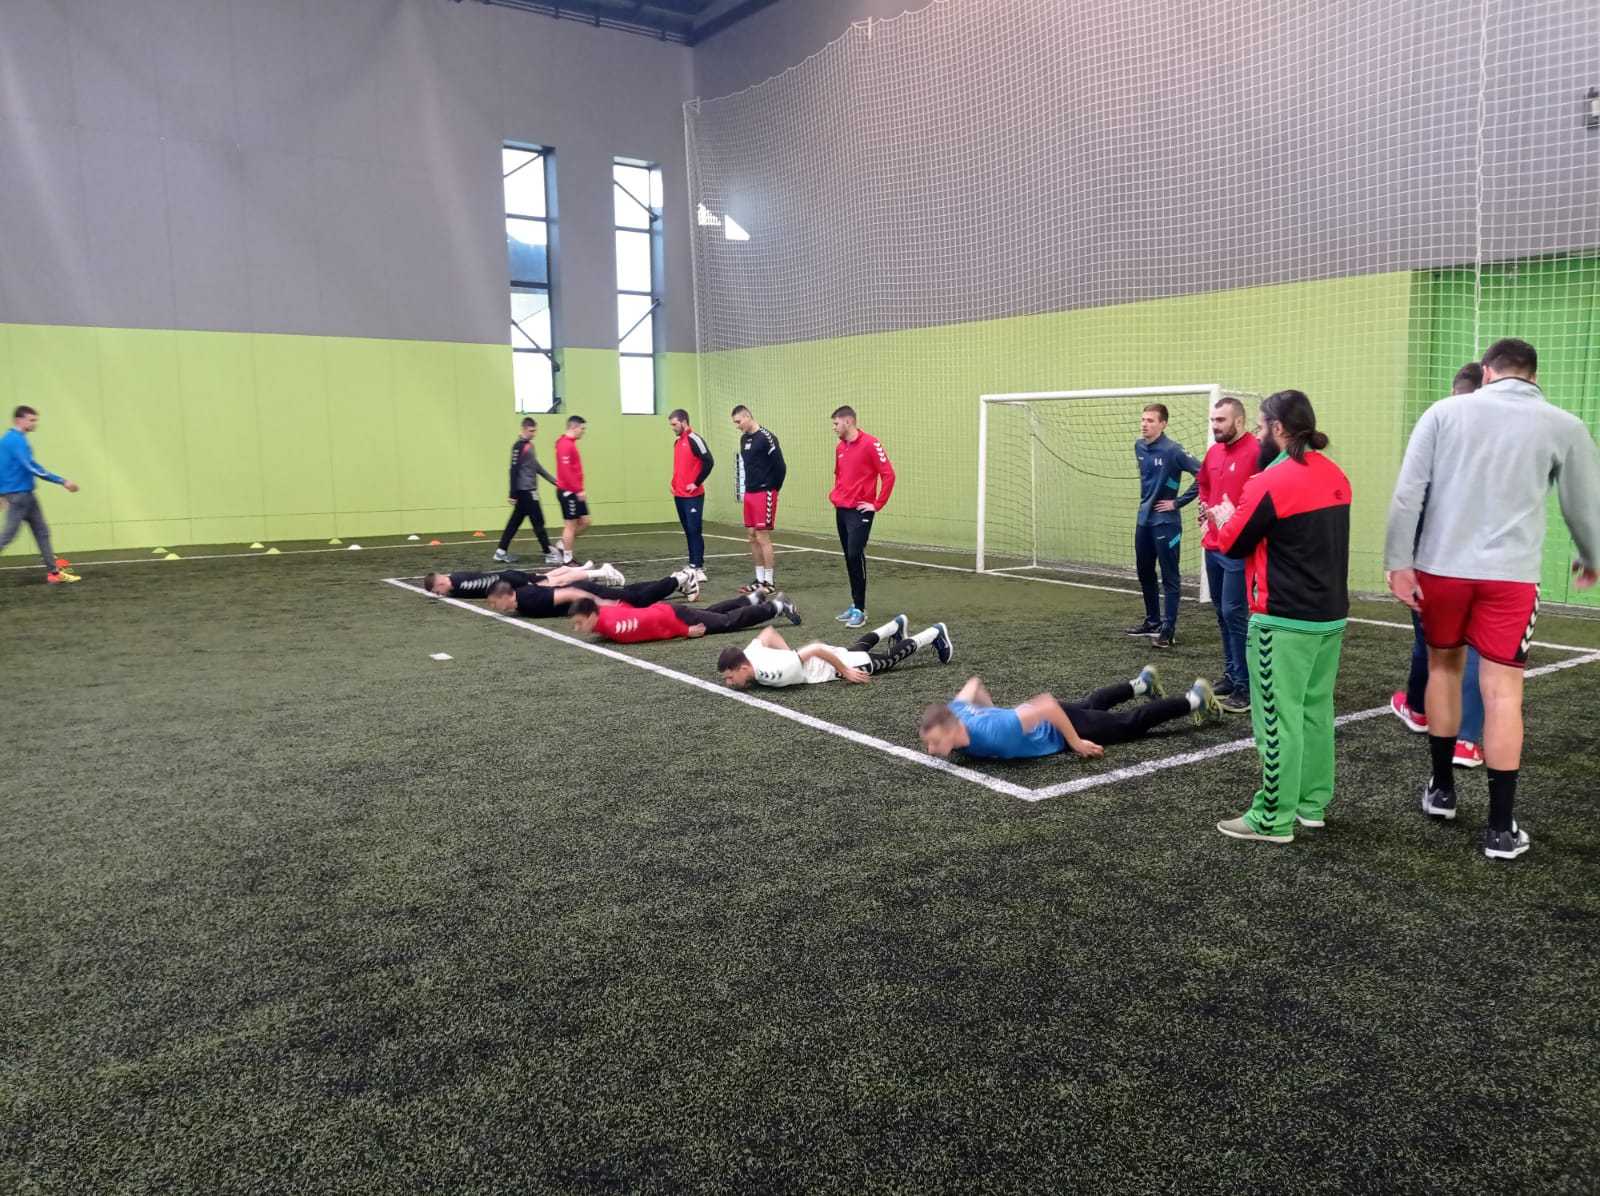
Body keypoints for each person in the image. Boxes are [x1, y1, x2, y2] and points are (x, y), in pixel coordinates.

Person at [1384, 337, 1600, 861]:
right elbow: (1584, 504)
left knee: (1443, 671)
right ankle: (1501, 830)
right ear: (1534, 374)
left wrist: (1398, 562)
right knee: (1504, 694)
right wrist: (1592, 556)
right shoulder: (1565, 424)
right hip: (1511, 580)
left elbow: (1408, 493)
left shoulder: (1442, 412)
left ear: (1486, 372)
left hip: (1440, 571)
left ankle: (1442, 792)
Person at [1210, 390, 1351, 845]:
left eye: (1260, 426)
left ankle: (1272, 817)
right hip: (1330, 618)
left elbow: (1233, 544)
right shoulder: (1336, 475)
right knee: (1315, 712)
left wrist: (1222, 518)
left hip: (1283, 620)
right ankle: (1312, 804)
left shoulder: (1268, 482)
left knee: (1277, 720)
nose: (1256, 436)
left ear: (1277, 428)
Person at [1388, 362, 1488, 769]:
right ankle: (1466, 741)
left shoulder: (1437, 432)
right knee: (1477, 650)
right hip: (1491, 566)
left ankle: (1420, 711)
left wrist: (1400, 562)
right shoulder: (1502, 442)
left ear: (1453, 392)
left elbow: (1409, 499)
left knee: (1433, 645)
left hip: (1435, 564)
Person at [917, 668, 1219, 761]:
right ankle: (1143, 683)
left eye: (935, 742)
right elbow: (973, 684)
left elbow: (1048, 705)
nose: (930, 750)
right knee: (1092, 703)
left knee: (1129, 724)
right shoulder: (954, 711)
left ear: (953, 728)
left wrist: (1075, 742)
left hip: (1059, 726)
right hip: (1039, 716)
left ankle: (1195, 699)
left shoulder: (996, 732)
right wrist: (990, 707)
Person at [1195, 396, 1260, 712]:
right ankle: (1232, 675)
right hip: (1213, 544)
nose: (1215, 426)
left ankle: (1246, 686)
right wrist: (1203, 511)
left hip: (1238, 548)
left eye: (1220, 420)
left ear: (1239, 421)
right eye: (1213, 420)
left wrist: (1239, 519)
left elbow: (1264, 494)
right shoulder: (1213, 452)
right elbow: (1203, 485)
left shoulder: (1257, 452)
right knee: (1222, 612)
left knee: (1235, 612)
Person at [1126, 403, 1201, 648]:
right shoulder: (1139, 446)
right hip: (1144, 521)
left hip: (1166, 523)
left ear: (1163, 424)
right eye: (1143, 419)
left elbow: (1203, 475)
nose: (1144, 424)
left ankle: (1168, 631)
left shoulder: (1173, 450)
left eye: (1150, 420)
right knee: (1144, 571)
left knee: (1170, 577)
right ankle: (1153, 622)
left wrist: (1178, 502)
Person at [717, 616, 952, 689]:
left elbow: (816, 648)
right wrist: (790, 655)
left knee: (888, 660)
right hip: (820, 657)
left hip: (830, 664)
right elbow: (768, 633)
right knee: (859, 648)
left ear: (743, 668)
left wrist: (845, 671)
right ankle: (896, 625)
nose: (729, 683)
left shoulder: (774, 673)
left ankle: (935, 633)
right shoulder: (748, 652)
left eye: (730, 677)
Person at [829, 405, 895, 629]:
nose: (834, 428)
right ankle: (855, 603)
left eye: (836, 423)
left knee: (855, 554)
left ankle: (860, 609)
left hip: (860, 511)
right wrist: (837, 497)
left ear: (848, 422)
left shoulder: (871, 443)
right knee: (849, 557)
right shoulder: (840, 447)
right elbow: (839, 475)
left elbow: (889, 475)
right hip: (842, 510)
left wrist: (877, 504)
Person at [0, 406, 81, 585]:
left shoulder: (7, 440)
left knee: (42, 532)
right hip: (20, 497)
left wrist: (2, 493)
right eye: (31, 420)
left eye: (35, 420)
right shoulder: (17, 441)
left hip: (25, 496)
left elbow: (3, 468)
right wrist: (62, 481)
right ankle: (54, 572)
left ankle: (54, 573)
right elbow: (32, 467)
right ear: (19, 420)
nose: (34, 423)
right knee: (7, 536)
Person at [569, 590, 800, 644]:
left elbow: (651, 623)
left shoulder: (615, 627)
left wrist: (684, 630)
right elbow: (622, 605)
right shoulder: (602, 612)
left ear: (591, 616)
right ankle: (751, 599)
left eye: (580, 623)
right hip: (667, 610)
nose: (578, 628)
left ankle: (777, 606)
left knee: (726, 622)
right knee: (711, 613)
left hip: (670, 616)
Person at [483, 568, 696, 620]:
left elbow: (569, 593)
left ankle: (682, 577)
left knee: (637, 601)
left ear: (505, 596)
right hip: (582, 588)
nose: (494, 607)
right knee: (629, 592)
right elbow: (555, 582)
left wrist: (599, 603)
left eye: (494, 603)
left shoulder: (529, 599)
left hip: (585, 592)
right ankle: (677, 584)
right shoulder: (521, 598)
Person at [732, 405, 786, 594]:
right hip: (750, 492)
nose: (737, 426)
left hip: (765, 492)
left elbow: (781, 467)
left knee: (762, 536)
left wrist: (772, 489)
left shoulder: (767, 437)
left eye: (739, 421)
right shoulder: (744, 439)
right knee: (751, 535)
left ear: (747, 417)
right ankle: (759, 579)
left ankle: (769, 582)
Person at [496, 417, 560, 565]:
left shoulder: (530, 446)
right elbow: (513, 470)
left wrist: (555, 481)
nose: (534, 433)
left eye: (535, 430)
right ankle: (548, 553)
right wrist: (512, 494)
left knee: (514, 523)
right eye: (531, 431)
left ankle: (500, 552)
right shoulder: (518, 446)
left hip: (528, 492)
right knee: (538, 522)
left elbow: (537, 467)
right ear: (524, 429)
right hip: (526, 492)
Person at [668, 408, 714, 583]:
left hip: (693, 496)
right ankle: (692, 564)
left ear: (684, 422)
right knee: (688, 530)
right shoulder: (677, 442)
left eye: (674, 424)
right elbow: (679, 467)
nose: (673, 428)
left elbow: (709, 461)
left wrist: (696, 483)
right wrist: (673, 483)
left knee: (695, 530)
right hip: (679, 495)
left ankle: (698, 567)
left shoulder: (695, 439)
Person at [422, 560, 623, 598]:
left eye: (438, 591)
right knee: (549, 577)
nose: (440, 594)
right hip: (510, 576)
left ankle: (601, 572)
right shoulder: (455, 580)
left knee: (556, 583)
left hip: (511, 580)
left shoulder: (460, 583)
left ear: (441, 583)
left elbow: (487, 583)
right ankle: (584, 568)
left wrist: (508, 588)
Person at [554, 415, 589, 565]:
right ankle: (567, 558)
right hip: (568, 491)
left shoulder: (570, 443)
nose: (583, 431)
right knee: (570, 525)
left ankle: (562, 544)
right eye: (582, 428)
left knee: (585, 522)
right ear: (573, 427)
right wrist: (578, 490)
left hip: (574, 490)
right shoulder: (565, 445)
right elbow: (566, 471)